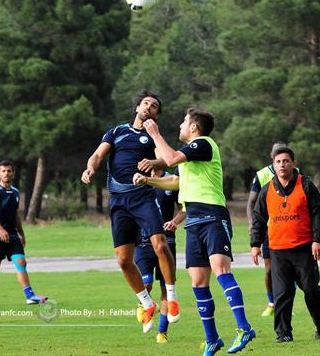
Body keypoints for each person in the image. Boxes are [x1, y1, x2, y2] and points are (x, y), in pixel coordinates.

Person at [133, 108, 255, 356]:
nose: (180, 125)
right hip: (193, 222)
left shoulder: (204, 144)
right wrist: (149, 181)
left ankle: (244, 328)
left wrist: (155, 134)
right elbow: (176, 181)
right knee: (198, 282)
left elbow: (169, 160)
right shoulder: (190, 154)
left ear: (194, 128)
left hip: (212, 216)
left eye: (184, 122)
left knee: (221, 271)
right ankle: (212, 339)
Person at [81, 91, 180, 334]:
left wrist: (152, 165)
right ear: (137, 107)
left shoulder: (153, 135)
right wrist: (90, 168)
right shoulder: (116, 132)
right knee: (124, 260)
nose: (149, 107)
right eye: (146, 103)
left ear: (157, 114)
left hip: (142, 196)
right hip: (118, 200)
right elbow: (97, 155)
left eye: (154, 106)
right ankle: (147, 303)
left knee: (159, 244)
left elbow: (165, 160)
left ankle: (172, 296)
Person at [250, 147, 320, 343]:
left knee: (310, 289)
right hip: (277, 250)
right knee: (282, 293)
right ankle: (283, 333)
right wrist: (255, 244)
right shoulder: (267, 189)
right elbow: (258, 218)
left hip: (303, 248)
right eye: (278, 162)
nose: (282, 165)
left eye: (286, 161)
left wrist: (317, 240)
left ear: (293, 163)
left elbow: (318, 213)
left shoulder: (307, 185)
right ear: (273, 165)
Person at [0, 160, 47, 307]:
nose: (6, 173)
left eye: (9, 171)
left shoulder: (16, 192)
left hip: (12, 235)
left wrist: (21, 232)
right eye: (3, 171)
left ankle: (30, 296)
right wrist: (0, 229)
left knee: (21, 262)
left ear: (13, 173)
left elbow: (15, 214)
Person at [135, 169, 185, 344]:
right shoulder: (138, 178)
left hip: (167, 240)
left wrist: (174, 221)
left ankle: (162, 332)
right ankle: (145, 304)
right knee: (146, 283)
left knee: (166, 288)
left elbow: (183, 209)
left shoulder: (172, 180)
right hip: (142, 241)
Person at [246, 141, 288, 317]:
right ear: (272, 157)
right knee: (270, 270)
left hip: (289, 228)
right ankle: (272, 303)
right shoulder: (262, 175)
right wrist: (252, 224)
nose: (282, 163)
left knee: (289, 269)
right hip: (269, 230)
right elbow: (251, 203)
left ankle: (285, 303)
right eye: (277, 157)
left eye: (285, 158)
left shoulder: (296, 174)